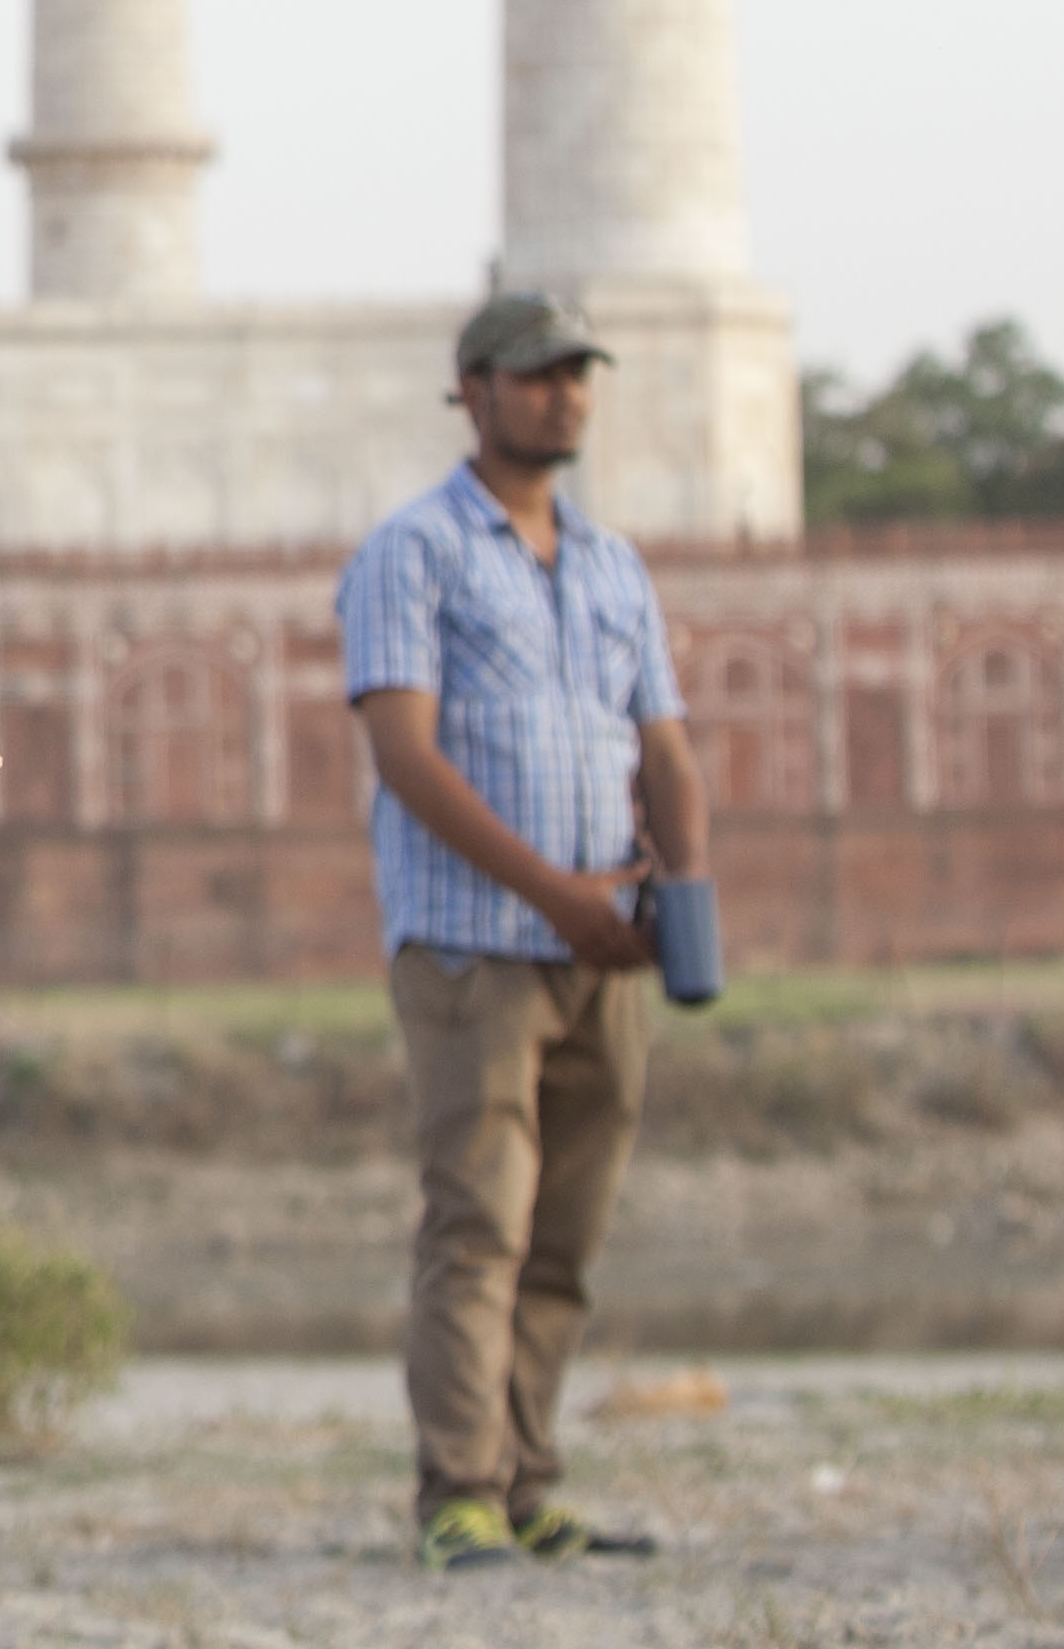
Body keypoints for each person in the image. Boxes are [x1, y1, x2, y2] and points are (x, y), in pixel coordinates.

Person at [338, 288, 709, 1574]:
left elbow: (664, 747)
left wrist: (681, 890)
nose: (565, 397)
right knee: (480, 1223)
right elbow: (407, 756)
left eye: (576, 375)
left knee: (566, 1235)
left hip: (603, 948)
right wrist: (558, 894)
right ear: (474, 389)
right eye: (538, 374)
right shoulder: (414, 553)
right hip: (475, 947)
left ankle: (531, 1480)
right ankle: (460, 1492)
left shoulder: (611, 567)